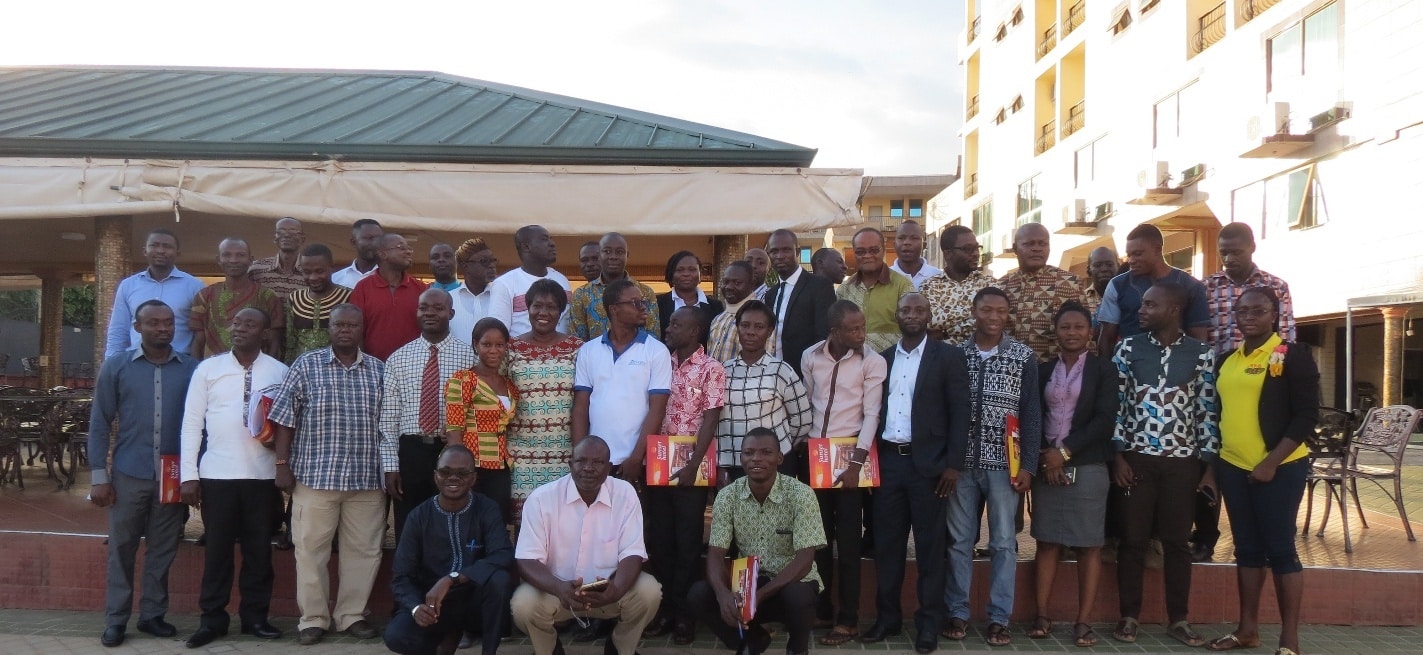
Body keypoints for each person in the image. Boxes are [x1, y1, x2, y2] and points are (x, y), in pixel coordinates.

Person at [1205, 287, 1316, 655]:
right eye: (1242, 310)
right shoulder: (1227, 360)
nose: (1249, 316)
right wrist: (1214, 468)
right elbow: (1219, 416)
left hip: (1280, 468)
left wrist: (1270, 462)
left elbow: (1306, 416)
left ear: (1275, 314)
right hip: (1233, 468)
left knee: (1281, 550)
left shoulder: (1291, 355)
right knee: (1247, 549)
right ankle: (1246, 630)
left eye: (1259, 310)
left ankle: (1290, 641)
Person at [268, 303, 386, 645]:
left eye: (352, 325)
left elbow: (387, 424)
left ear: (361, 329)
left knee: (364, 550)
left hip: (366, 480)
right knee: (310, 550)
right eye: (339, 325)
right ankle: (313, 619)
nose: (345, 330)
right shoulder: (306, 365)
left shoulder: (377, 370)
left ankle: (351, 616)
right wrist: (281, 465)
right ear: (329, 329)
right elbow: (284, 419)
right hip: (316, 478)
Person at [1110, 282, 1219, 648]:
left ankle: (1179, 619)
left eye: (1149, 305)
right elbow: (1117, 406)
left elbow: (1207, 412)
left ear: (1173, 310)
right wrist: (1118, 456)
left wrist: (1208, 467)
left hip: (1182, 463)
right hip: (1136, 460)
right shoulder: (1127, 348)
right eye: (1141, 304)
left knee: (1176, 542)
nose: (1141, 310)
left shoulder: (1202, 354)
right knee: (1133, 540)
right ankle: (1128, 616)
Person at [863, 292, 969, 654]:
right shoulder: (884, 359)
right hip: (890, 464)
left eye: (918, 309)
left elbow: (961, 413)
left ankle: (928, 624)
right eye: (905, 309)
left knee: (929, 548)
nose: (911, 314)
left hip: (930, 468)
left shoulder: (949, 356)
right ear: (897, 314)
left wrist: (954, 465)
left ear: (929, 315)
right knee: (887, 547)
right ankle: (887, 618)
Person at [89, 300, 199, 648]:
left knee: (163, 548)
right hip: (128, 474)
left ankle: (153, 615)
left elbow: (201, 425)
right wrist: (98, 477)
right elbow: (99, 424)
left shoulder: (192, 369)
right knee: (121, 548)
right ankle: (116, 620)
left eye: (168, 322)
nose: (163, 328)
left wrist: (195, 474)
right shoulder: (116, 366)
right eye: (153, 323)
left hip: (172, 475)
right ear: (137, 327)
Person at [178, 308, 288, 648]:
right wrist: (189, 474)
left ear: (266, 334)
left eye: (250, 324)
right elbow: (191, 424)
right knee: (218, 553)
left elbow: (287, 426)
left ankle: (255, 618)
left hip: (262, 477)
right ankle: (212, 619)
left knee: (259, 553)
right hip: (217, 476)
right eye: (236, 323)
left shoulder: (280, 372)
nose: (239, 328)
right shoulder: (208, 369)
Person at [943, 287, 1040, 647]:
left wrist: (1028, 464)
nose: (994, 317)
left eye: (1001, 311)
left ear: (1008, 314)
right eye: (987, 310)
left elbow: (1031, 414)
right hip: (962, 465)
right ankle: (957, 611)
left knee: (1002, 542)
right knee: (958, 543)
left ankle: (999, 617)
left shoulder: (1022, 356)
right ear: (974, 311)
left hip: (1005, 466)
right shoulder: (957, 356)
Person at [1196, 223, 1297, 562]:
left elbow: (1287, 340)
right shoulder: (1206, 287)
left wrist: (1276, 382)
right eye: (1223, 251)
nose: (1228, 258)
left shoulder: (1276, 287)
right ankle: (1206, 537)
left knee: (1260, 451)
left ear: (1252, 247)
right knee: (1213, 453)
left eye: (1235, 251)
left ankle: (1270, 536)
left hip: (1263, 383)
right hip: (1217, 381)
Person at [511, 437, 663, 655]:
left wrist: (617, 588)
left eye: (598, 462)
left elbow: (633, 553)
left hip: (608, 591)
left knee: (649, 591)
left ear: (609, 467)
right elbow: (526, 559)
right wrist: (557, 587)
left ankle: (621, 647)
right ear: (570, 464)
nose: (588, 468)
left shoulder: (625, 494)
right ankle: (549, 649)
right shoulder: (541, 499)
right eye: (581, 461)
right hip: (557, 591)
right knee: (523, 604)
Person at [688, 428, 826, 655]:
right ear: (741, 458)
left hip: (789, 584)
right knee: (698, 595)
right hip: (748, 584)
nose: (756, 459)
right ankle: (752, 641)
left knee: (798, 596)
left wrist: (759, 596)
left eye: (766, 452)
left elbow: (805, 560)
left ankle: (797, 648)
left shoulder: (801, 495)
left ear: (780, 458)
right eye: (749, 453)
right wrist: (723, 595)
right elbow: (715, 553)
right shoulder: (728, 496)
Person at [1026, 301, 1117, 647]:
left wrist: (1064, 453)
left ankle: (1083, 622)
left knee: (1089, 545)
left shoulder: (1104, 371)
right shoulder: (1043, 370)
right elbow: (1033, 415)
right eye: (1065, 327)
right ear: (1056, 331)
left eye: (1079, 327)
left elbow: (1105, 420)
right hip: (1047, 465)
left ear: (1090, 332)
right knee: (1047, 542)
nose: (1072, 333)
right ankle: (1042, 614)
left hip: (1088, 464)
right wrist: (1046, 457)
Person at [798, 300, 886, 645]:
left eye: (863, 327)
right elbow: (806, 402)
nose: (861, 334)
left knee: (848, 544)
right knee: (817, 541)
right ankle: (821, 610)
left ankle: (848, 620)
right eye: (854, 329)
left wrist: (856, 464)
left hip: (851, 456)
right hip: (816, 455)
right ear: (835, 332)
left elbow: (872, 415)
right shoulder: (810, 356)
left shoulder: (872, 361)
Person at [643, 306, 725, 644]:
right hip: (657, 461)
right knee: (659, 540)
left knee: (688, 542)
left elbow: (711, 417)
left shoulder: (712, 368)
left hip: (691, 467)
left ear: (695, 331)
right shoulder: (659, 361)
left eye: (677, 323)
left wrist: (693, 464)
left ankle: (684, 614)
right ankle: (663, 609)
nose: (668, 326)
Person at [385, 445, 515, 655]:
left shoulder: (487, 508)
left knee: (499, 580)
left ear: (473, 478)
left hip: (473, 600)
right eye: (446, 472)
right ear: (436, 476)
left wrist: (452, 578)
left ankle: (488, 651)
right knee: (397, 636)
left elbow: (502, 554)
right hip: (433, 603)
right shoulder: (418, 516)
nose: (453, 478)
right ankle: (442, 641)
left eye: (462, 473)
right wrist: (416, 607)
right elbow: (401, 577)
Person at [382, 288, 477, 537]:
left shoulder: (469, 357)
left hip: (451, 452)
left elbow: (476, 408)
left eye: (438, 308)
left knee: (450, 526)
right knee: (410, 526)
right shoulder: (398, 359)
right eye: (424, 308)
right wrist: (391, 466)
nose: (430, 313)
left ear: (451, 313)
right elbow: (389, 418)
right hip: (411, 452)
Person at [571, 279, 671, 481]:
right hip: (596, 461)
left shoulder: (657, 351)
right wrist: (580, 457)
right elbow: (581, 408)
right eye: (634, 302)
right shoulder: (589, 350)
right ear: (614, 309)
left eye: (642, 301)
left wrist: (636, 458)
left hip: (636, 461)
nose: (643, 307)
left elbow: (657, 409)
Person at [505, 279, 582, 523]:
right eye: (537, 306)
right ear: (527, 308)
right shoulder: (510, 349)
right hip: (520, 454)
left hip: (565, 453)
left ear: (561, 312)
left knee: (563, 524)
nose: (543, 313)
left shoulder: (577, 348)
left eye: (551, 307)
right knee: (525, 525)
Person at [716, 300, 811, 478]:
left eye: (759, 327)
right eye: (745, 325)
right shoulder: (721, 371)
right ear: (737, 327)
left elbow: (802, 419)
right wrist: (719, 464)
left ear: (770, 331)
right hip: (733, 464)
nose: (751, 332)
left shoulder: (782, 371)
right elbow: (716, 422)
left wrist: (780, 446)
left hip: (775, 465)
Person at [444, 317, 518, 523]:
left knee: (495, 524)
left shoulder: (509, 385)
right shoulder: (463, 380)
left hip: (500, 466)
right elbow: (454, 430)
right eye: (487, 344)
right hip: (471, 466)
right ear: (475, 345)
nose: (493, 350)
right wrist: (460, 473)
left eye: (499, 345)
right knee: (468, 524)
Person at [1097, 223, 1210, 357]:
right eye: (1129, 255)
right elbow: (1106, 339)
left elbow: (1199, 339)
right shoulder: (1117, 285)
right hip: (1129, 369)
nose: (1131, 260)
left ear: (1157, 250)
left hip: (1177, 369)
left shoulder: (1190, 285)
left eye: (1137, 254)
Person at [104, 229, 206, 360]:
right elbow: (118, 330)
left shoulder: (195, 286)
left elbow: (200, 333)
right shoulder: (128, 285)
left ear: (178, 253)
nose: (160, 251)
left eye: (167, 246)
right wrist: (111, 365)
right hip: (136, 363)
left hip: (179, 364)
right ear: (145, 251)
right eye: (154, 245)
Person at [998, 223, 1088, 362]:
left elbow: (1085, 332)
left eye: (1043, 244)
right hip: (1011, 373)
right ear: (1015, 248)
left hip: (1054, 374)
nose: (1037, 249)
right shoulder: (1002, 286)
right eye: (1029, 244)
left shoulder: (1070, 283)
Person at [189, 237, 285, 361]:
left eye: (240, 255)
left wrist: (269, 371)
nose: (233, 260)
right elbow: (198, 339)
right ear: (219, 260)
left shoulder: (267, 296)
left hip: (255, 371)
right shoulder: (204, 295)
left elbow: (274, 341)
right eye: (227, 255)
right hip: (214, 371)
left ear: (251, 260)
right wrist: (197, 372)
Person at [764, 229, 836, 374]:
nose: (779, 256)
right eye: (774, 251)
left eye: (786, 250)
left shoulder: (819, 286)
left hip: (806, 374)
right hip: (773, 374)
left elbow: (824, 335)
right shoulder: (771, 294)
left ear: (797, 252)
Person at [351, 233, 429, 361]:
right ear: (382, 254)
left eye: (409, 248)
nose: (408, 252)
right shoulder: (363, 288)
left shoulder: (421, 289)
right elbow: (356, 331)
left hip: (413, 367)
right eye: (401, 247)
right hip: (374, 368)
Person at [837, 228, 914, 352]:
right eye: (860, 251)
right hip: (851, 363)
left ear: (883, 250)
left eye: (874, 250)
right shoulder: (844, 289)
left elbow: (912, 329)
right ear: (854, 253)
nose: (867, 255)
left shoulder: (903, 286)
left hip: (891, 362)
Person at [570, 232, 659, 340]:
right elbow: (578, 340)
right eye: (607, 251)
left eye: (619, 252)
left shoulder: (646, 292)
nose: (613, 257)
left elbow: (653, 336)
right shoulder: (581, 294)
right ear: (599, 256)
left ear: (627, 256)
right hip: (595, 356)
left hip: (639, 356)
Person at [489, 224, 572, 335]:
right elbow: (497, 331)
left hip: (563, 351)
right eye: (544, 239)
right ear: (526, 247)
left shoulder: (562, 280)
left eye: (551, 239)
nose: (552, 244)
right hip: (520, 352)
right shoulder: (504, 283)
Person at [919, 225, 996, 345]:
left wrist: (946, 331)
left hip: (982, 358)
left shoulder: (990, 285)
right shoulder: (930, 286)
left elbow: (992, 321)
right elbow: (930, 321)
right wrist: (977, 312)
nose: (976, 254)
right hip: (944, 360)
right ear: (948, 253)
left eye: (977, 248)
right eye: (968, 249)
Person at [285, 243, 354, 364]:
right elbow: (290, 342)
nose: (313, 277)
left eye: (319, 271)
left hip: (336, 368)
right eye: (307, 272)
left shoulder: (348, 297)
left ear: (332, 267)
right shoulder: (295, 298)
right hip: (302, 369)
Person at [706, 261, 777, 364]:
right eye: (725, 282)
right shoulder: (718, 319)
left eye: (737, 283)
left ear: (751, 284)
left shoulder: (762, 319)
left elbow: (764, 363)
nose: (729, 287)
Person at [656, 250, 723, 345]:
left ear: (700, 275)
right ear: (671, 274)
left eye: (692, 269)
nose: (686, 274)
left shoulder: (716, 307)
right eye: (680, 270)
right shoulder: (657, 303)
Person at [450, 238, 499, 347]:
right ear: (466, 266)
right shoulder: (449, 300)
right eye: (484, 261)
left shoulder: (501, 298)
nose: (492, 265)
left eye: (493, 260)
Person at [247, 216, 307, 299]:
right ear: (275, 238)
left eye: (293, 232)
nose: (286, 235)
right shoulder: (256, 269)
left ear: (302, 239)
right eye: (281, 231)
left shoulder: (310, 272)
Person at [331, 218, 384, 289]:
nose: (375, 243)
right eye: (369, 238)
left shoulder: (392, 278)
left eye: (379, 238)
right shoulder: (336, 279)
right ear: (353, 242)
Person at [889, 220, 941, 289]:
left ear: (924, 245)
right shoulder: (884, 278)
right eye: (901, 238)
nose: (907, 242)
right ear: (894, 244)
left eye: (914, 238)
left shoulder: (938, 276)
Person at [1084, 246, 1119, 313]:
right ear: (1089, 270)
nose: (1104, 269)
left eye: (1109, 264)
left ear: (1118, 267)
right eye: (1097, 265)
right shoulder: (1081, 300)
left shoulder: (1128, 296)